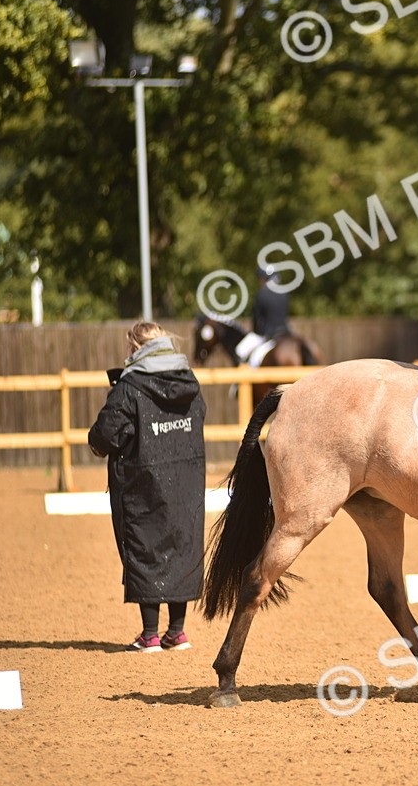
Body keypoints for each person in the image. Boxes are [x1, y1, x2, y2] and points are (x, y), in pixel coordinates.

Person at [88, 321, 207, 652]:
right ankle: (178, 632)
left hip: (141, 481)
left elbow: (106, 434)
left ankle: (150, 635)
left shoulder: (130, 386)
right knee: (182, 544)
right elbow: (199, 417)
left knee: (145, 546)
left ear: (136, 349)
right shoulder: (190, 382)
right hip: (187, 478)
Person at [235, 266, 290, 364]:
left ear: (264, 279)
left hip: (269, 335)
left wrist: (256, 331)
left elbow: (257, 319)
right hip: (285, 333)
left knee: (242, 351)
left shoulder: (261, 294)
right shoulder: (284, 293)